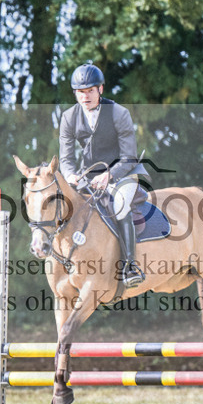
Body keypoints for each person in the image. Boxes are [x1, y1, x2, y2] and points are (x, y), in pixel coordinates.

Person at [59, 63, 148, 288]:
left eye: (90, 90)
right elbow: (66, 159)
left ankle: (130, 266)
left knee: (119, 204)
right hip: (87, 176)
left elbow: (129, 157)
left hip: (123, 173)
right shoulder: (69, 117)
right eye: (80, 91)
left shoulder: (119, 113)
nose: (85, 96)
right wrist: (70, 176)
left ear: (101, 89)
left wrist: (109, 175)